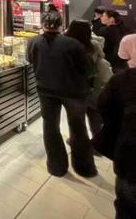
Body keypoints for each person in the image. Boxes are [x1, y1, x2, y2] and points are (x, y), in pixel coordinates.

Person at [27, 11, 96, 177]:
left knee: (50, 127)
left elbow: (30, 60)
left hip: (46, 90)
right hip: (74, 92)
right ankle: (84, 168)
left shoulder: (33, 42)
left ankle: (56, 167)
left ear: (42, 25)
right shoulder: (72, 44)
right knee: (78, 127)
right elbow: (87, 69)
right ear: (61, 25)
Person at [93, 62, 136, 218]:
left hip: (130, 161)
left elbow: (104, 107)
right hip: (129, 162)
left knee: (127, 210)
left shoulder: (127, 78)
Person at [65, 20, 112, 140]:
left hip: (71, 86)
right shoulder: (93, 45)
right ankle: (97, 141)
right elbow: (101, 57)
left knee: (75, 118)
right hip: (91, 85)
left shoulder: (65, 45)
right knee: (93, 115)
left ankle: (77, 140)